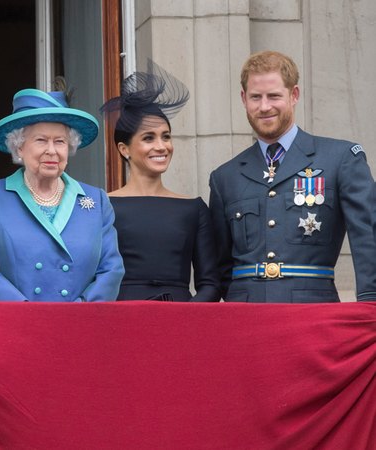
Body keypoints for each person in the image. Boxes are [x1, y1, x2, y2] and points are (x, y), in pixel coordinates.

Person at [209, 50, 376, 302]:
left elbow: (367, 237)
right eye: (256, 97)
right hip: (245, 317)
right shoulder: (225, 177)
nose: (264, 107)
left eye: (274, 96)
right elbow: (221, 266)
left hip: (312, 314)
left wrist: (370, 303)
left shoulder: (340, 158)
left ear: (294, 94)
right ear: (244, 98)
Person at [0, 87, 124, 301]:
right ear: (19, 147)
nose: (52, 150)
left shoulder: (97, 200)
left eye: (60, 141)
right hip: (18, 324)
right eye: (41, 140)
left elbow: (111, 270)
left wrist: (82, 308)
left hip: (81, 323)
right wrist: (29, 313)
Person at [101, 61, 220, 302]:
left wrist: (182, 316)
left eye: (166, 136)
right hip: (121, 320)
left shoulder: (194, 208)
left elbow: (211, 284)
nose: (161, 146)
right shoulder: (103, 205)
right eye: (148, 138)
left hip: (180, 325)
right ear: (124, 149)